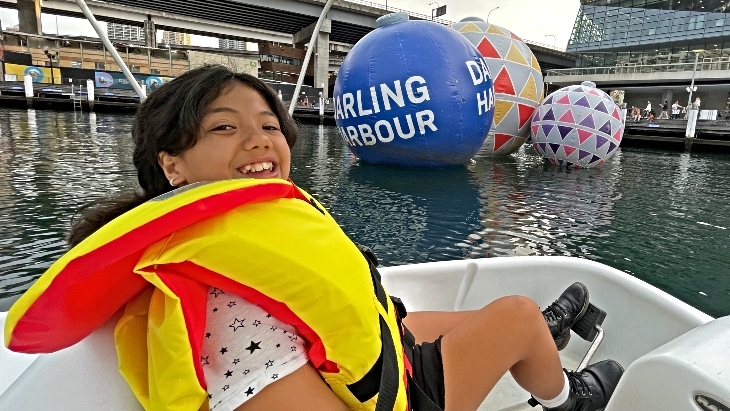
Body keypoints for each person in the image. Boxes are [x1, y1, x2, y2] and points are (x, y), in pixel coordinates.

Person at [7, 65, 623, 411]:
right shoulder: (221, 293)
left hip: (372, 355)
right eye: (224, 127)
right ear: (173, 166)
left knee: (450, 319)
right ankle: (568, 397)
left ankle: (539, 338)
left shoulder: (221, 240)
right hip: (392, 400)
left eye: (270, 126)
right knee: (512, 316)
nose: (260, 141)